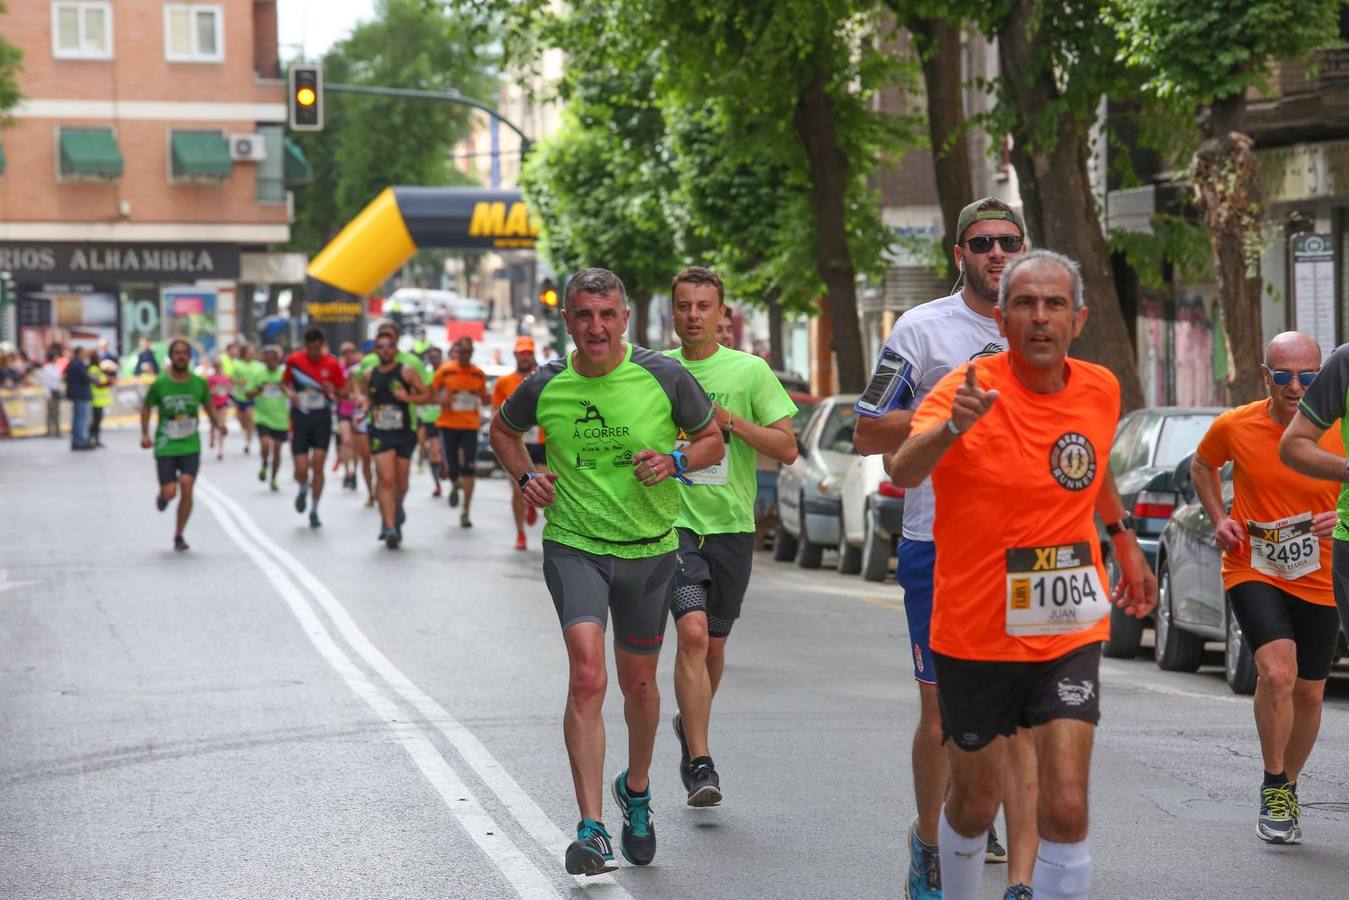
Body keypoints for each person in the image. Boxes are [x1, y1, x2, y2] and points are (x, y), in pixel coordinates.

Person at [889, 249, 1156, 900]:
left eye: (1054, 304)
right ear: (1002, 321)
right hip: (973, 628)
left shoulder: (1100, 389)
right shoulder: (965, 389)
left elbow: (1088, 469)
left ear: (1078, 318)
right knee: (976, 803)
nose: (1039, 318)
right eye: (1025, 305)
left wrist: (1122, 541)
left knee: (1064, 801)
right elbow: (901, 470)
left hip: (1063, 618)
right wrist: (951, 428)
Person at [489, 267, 723, 876]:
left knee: (640, 687)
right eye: (584, 315)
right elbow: (502, 431)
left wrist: (675, 461)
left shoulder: (663, 374)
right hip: (574, 545)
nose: (596, 326)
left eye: (607, 314)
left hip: (648, 549)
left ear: (624, 318)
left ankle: (636, 790)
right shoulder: (545, 384)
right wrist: (525, 475)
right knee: (588, 676)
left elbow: (712, 443)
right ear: (566, 319)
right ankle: (592, 828)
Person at [853, 197, 1031, 899]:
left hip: (1024, 547)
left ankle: (1024, 875)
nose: (996, 253)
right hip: (940, 543)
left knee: (1022, 715)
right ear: (959, 253)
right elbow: (867, 431)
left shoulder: (1042, 321)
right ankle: (928, 842)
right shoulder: (921, 329)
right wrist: (946, 414)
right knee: (943, 716)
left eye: (1007, 241)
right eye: (982, 242)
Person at [1192, 332, 1340, 845]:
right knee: (1277, 672)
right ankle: (1274, 783)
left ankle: (1291, 785)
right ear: (1265, 375)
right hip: (1255, 565)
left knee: (1310, 692)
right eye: (1284, 375)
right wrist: (1219, 518)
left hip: (1323, 573)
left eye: (1309, 376)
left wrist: (1340, 517)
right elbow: (1202, 464)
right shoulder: (1236, 424)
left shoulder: (1341, 427)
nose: (1296, 386)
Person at [664, 267, 798, 806]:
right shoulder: (653, 370)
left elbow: (786, 448)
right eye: (684, 305)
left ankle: (688, 725)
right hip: (672, 523)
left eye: (704, 306)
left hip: (732, 526)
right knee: (692, 635)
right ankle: (701, 761)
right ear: (672, 313)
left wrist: (728, 421)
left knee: (714, 644)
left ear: (724, 315)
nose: (693, 315)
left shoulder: (750, 371)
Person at [141, 339, 226, 551]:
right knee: (171, 492)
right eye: (176, 353)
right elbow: (146, 408)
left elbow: (208, 407)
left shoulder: (199, 383)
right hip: (166, 445)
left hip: (190, 444)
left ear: (189, 357)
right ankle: (163, 496)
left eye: (184, 353)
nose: (180, 356)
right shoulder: (160, 384)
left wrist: (218, 425)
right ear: (171, 356)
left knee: (187, 486)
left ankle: (179, 534)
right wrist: (144, 434)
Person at [366, 334, 431, 547]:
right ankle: (390, 526)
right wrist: (362, 407)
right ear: (375, 350)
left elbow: (427, 395)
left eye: (389, 346)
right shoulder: (370, 374)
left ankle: (397, 505)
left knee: (401, 483)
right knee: (385, 479)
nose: (385, 350)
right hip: (380, 432)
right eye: (381, 346)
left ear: (395, 349)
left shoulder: (406, 371)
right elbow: (367, 397)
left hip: (404, 432)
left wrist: (408, 398)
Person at [283, 327, 347, 528]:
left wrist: (334, 390)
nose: (314, 353)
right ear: (305, 347)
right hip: (300, 418)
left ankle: (315, 509)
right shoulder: (294, 361)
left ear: (322, 346)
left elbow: (344, 392)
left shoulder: (332, 363)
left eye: (317, 349)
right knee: (301, 468)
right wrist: (290, 394)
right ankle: (303, 487)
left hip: (322, 419)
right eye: (310, 349)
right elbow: (284, 384)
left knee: (318, 465)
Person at [492, 336, 546, 550]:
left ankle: (531, 505)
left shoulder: (543, 379)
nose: (525, 357)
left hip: (541, 443)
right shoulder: (503, 383)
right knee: (518, 488)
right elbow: (496, 413)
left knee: (546, 483)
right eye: (521, 353)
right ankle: (520, 534)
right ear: (515, 355)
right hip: (516, 443)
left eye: (528, 353)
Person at [432, 337, 490, 527]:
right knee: (452, 468)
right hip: (448, 424)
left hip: (470, 426)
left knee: (470, 470)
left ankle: (465, 511)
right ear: (455, 351)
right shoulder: (445, 371)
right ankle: (455, 484)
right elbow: (432, 392)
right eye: (461, 351)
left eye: (468, 352)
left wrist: (484, 397)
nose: (465, 355)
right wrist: (443, 399)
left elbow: (486, 398)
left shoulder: (478, 374)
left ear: (472, 352)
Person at [247, 345, 289, 491]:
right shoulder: (258, 374)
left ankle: (274, 478)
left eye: (274, 359)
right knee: (265, 444)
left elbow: (293, 391)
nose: (271, 362)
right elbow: (248, 393)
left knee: (277, 450)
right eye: (268, 359)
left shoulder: (285, 373)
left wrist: (285, 389)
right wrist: (258, 390)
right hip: (262, 416)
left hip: (281, 418)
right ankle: (265, 463)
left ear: (278, 359)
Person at [418, 345, 446, 498]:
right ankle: (437, 484)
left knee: (445, 452)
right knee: (434, 452)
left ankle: (448, 471)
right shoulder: (427, 374)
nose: (434, 359)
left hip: (448, 418)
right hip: (430, 418)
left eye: (437, 356)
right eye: (432, 356)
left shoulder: (448, 372)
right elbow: (424, 393)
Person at [335, 342, 361, 490]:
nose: (348, 354)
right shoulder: (339, 368)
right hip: (343, 410)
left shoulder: (360, 368)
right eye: (345, 352)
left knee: (356, 446)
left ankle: (355, 472)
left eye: (351, 351)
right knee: (346, 441)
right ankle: (347, 472)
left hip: (358, 411)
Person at [230, 343, 261, 455]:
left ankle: (248, 443)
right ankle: (247, 429)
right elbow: (230, 380)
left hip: (252, 396)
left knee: (250, 418)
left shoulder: (258, 366)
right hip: (239, 396)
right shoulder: (237, 364)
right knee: (241, 420)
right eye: (248, 352)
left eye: (252, 352)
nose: (251, 354)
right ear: (244, 353)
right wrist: (239, 382)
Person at [65, 346, 95, 451]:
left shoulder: (73, 363)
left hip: (77, 395)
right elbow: (85, 378)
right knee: (81, 419)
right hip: (81, 395)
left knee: (78, 419)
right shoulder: (78, 364)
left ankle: (78, 440)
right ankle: (80, 441)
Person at [206, 358, 232, 460]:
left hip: (223, 403)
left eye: (219, 366)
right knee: (213, 423)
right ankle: (212, 436)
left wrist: (227, 388)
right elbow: (207, 392)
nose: (218, 368)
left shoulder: (226, 377)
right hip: (213, 403)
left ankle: (221, 450)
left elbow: (230, 389)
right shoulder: (210, 378)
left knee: (222, 425)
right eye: (216, 366)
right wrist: (215, 389)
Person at [89, 358, 116, 447]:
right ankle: (91, 438)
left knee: (97, 421)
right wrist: (108, 383)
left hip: (100, 401)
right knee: (95, 421)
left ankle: (95, 439)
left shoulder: (99, 371)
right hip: (96, 401)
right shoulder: (94, 369)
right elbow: (98, 384)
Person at [40, 348, 63, 438]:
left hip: (56, 391)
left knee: (56, 412)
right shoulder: (47, 368)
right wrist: (48, 394)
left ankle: (57, 430)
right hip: (51, 392)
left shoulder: (56, 368)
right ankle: (50, 430)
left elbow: (58, 381)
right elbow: (46, 382)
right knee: (51, 412)